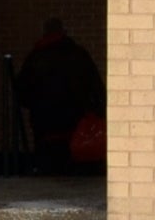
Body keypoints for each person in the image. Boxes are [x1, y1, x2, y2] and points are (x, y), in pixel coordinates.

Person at [17, 14, 105, 172]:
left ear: (45, 33)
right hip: (74, 120)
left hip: (44, 121)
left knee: (48, 162)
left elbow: (23, 91)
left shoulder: (35, 57)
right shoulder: (79, 54)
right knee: (73, 161)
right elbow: (95, 86)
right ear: (63, 31)